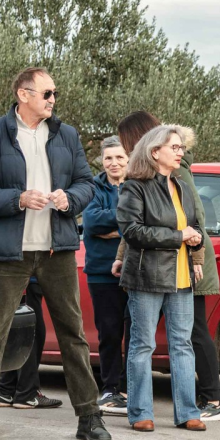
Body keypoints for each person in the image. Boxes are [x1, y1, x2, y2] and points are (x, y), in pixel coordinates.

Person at [0, 67, 110, 440]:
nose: (53, 99)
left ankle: (89, 417)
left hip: (57, 250)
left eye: (55, 93)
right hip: (10, 251)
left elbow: (86, 184)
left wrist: (69, 199)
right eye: (47, 93)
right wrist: (17, 199)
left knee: (73, 335)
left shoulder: (66, 135)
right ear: (24, 95)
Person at [114, 111, 220, 422]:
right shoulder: (133, 187)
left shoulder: (183, 186)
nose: (180, 152)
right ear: (154, 152)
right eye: (174, 147)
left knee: (182, 345)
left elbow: (196, 227)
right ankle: (140, 413)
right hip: (147, 277)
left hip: (182, 278)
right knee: (142, 345)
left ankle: (188, 412)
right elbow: (133, 232)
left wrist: (197, 251)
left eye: (180, 147)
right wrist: (179, 236)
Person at [80, 135, 131, 416]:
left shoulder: (138, 185)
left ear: (128, 159)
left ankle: (130, 387)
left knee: (135, 333)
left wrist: (113, 228)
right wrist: (127, 225)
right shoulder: (92, 188)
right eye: (108, 157)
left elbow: (142, 219)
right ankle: (111, 388)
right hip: (101, 273)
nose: (114, 162)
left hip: (134, 272)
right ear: (102, 160)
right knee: (110, 333)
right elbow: (90, 222)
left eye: (119, 157)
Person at [0, 278, 60, 410]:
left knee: (16, 328)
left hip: (15, 275)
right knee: (32, 331)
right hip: (29, 275)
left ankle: (6, 390)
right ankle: (27, 393)